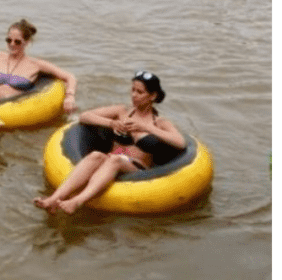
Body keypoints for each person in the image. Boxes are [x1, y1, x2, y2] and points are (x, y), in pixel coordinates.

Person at [33, 71, 185, 214]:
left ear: (152, 96)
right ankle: (53, 200)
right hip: (111, 160)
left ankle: (77, 201)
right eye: (132, 90)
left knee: (115, 159)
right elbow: (85, 116)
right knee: (96, 155)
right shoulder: (122, 111)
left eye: (139, 92)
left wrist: (146, 128)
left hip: (136, 167)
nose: (134, 95)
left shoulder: (159, 122)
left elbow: (180, 142)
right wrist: (111, 123)